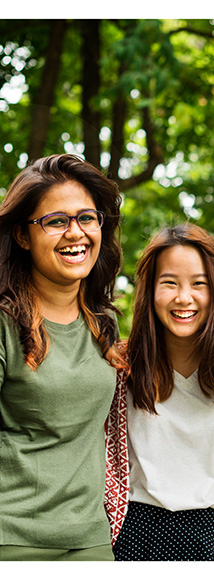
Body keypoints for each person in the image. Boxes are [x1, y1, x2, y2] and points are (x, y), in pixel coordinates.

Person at [111, 223, 214, 561]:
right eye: (169, 283)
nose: (184, 297)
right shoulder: (119, 368)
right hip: (136, 534)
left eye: (199, 284)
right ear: (149, 290)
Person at [0, 154, 124, 561]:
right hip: (12, 537)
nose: (77, 233)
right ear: (22, 235)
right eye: (56, 221)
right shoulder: (4, 324)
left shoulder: (104, 325)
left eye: (87, 218)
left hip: (90, 537)